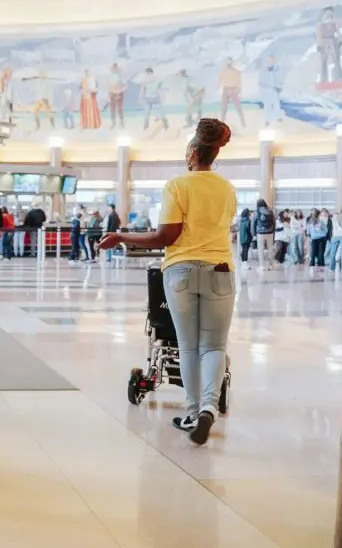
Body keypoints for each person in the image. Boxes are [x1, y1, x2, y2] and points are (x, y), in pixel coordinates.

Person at [99, 118, 237, 445]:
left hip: (181, 271)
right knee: (215, 345)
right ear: (214, 153)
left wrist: (120, 236)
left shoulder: (178, 185)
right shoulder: (228, 188)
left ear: (192, 153)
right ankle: (208, 408)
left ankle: (192, 412)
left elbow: (166, 236)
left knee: (188, 345)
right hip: (220, 270)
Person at [219, 57, 246, 127]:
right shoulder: (223, 71)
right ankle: (222, 121)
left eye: (229, 62)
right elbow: (220, 80)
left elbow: (239, 82)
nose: (228, 63)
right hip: (226, 89)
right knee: (223, 107)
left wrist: (237, 90)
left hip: (233, 89)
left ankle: (242, 120)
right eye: (227, 62)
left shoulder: (235, 71)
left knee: (238, 106)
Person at [259, 55, 284, 126]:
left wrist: (279, 87)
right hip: (267, 90)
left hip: (275, 89)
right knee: (268, 105)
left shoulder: (277, 68)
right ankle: (267, 120)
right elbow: (261, 81)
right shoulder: (263, 70)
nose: (272, 61)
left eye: (273, 59)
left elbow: (279, 78)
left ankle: (278, 117)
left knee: (276, 104)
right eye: (271, 59)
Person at [327, 205, 342, 271]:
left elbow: (332, 226)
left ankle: (331, 268)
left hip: (335, 236)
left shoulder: (335, 217)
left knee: (332, 252)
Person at [253, 198, 275, 270]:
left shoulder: (257, 211)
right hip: (270, 232)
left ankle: (262, 266)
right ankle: (271, 265)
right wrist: (273, 231)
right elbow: (274, 222)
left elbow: (253, 222)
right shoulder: (270, 210)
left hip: (260, 233)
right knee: (270, 248)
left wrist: (253, 233)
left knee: (261, 249)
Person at [107, 62, 126, 129]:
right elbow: (109, 86)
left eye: (115, 68)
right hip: (112, 93)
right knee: (112, 109)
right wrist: (110, 94)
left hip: (119, 93)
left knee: (119, 109)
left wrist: (119, 91)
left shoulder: (121, 76)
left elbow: (125, 85)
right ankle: (113, 123)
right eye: (113, 68)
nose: (114, 70)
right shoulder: (110, 76)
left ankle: (121, 122)